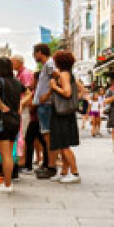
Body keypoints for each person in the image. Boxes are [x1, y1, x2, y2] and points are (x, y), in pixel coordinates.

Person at [0, 56, 25, 193]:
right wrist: (20, 105)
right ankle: (7, 183)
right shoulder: (16, 82)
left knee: (6, 155)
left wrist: (0, 104)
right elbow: (29, 93)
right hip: (15, 120)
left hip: (3, 120)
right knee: (10, 152)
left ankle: (7, 184)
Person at [49, 50, 82, 184]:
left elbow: (67, 93)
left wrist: (54, 87)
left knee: (63, 145)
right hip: (67, 112)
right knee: (64, 144)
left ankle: (75, 173)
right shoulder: (69, 74)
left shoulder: (63, 75)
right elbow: (80, 90)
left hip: (61, 113)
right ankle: (64, 172)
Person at [32, 43, 57, 178]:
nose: (33, 56)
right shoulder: (46, 65)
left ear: (40, 52)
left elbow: (57, 77)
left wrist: (47, 95)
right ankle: (49, 165)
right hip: (44, 105)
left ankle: (51, 167)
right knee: (47, 137)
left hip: (46, 105)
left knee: (48, 137)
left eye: (34, 53)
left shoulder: (49, 64)